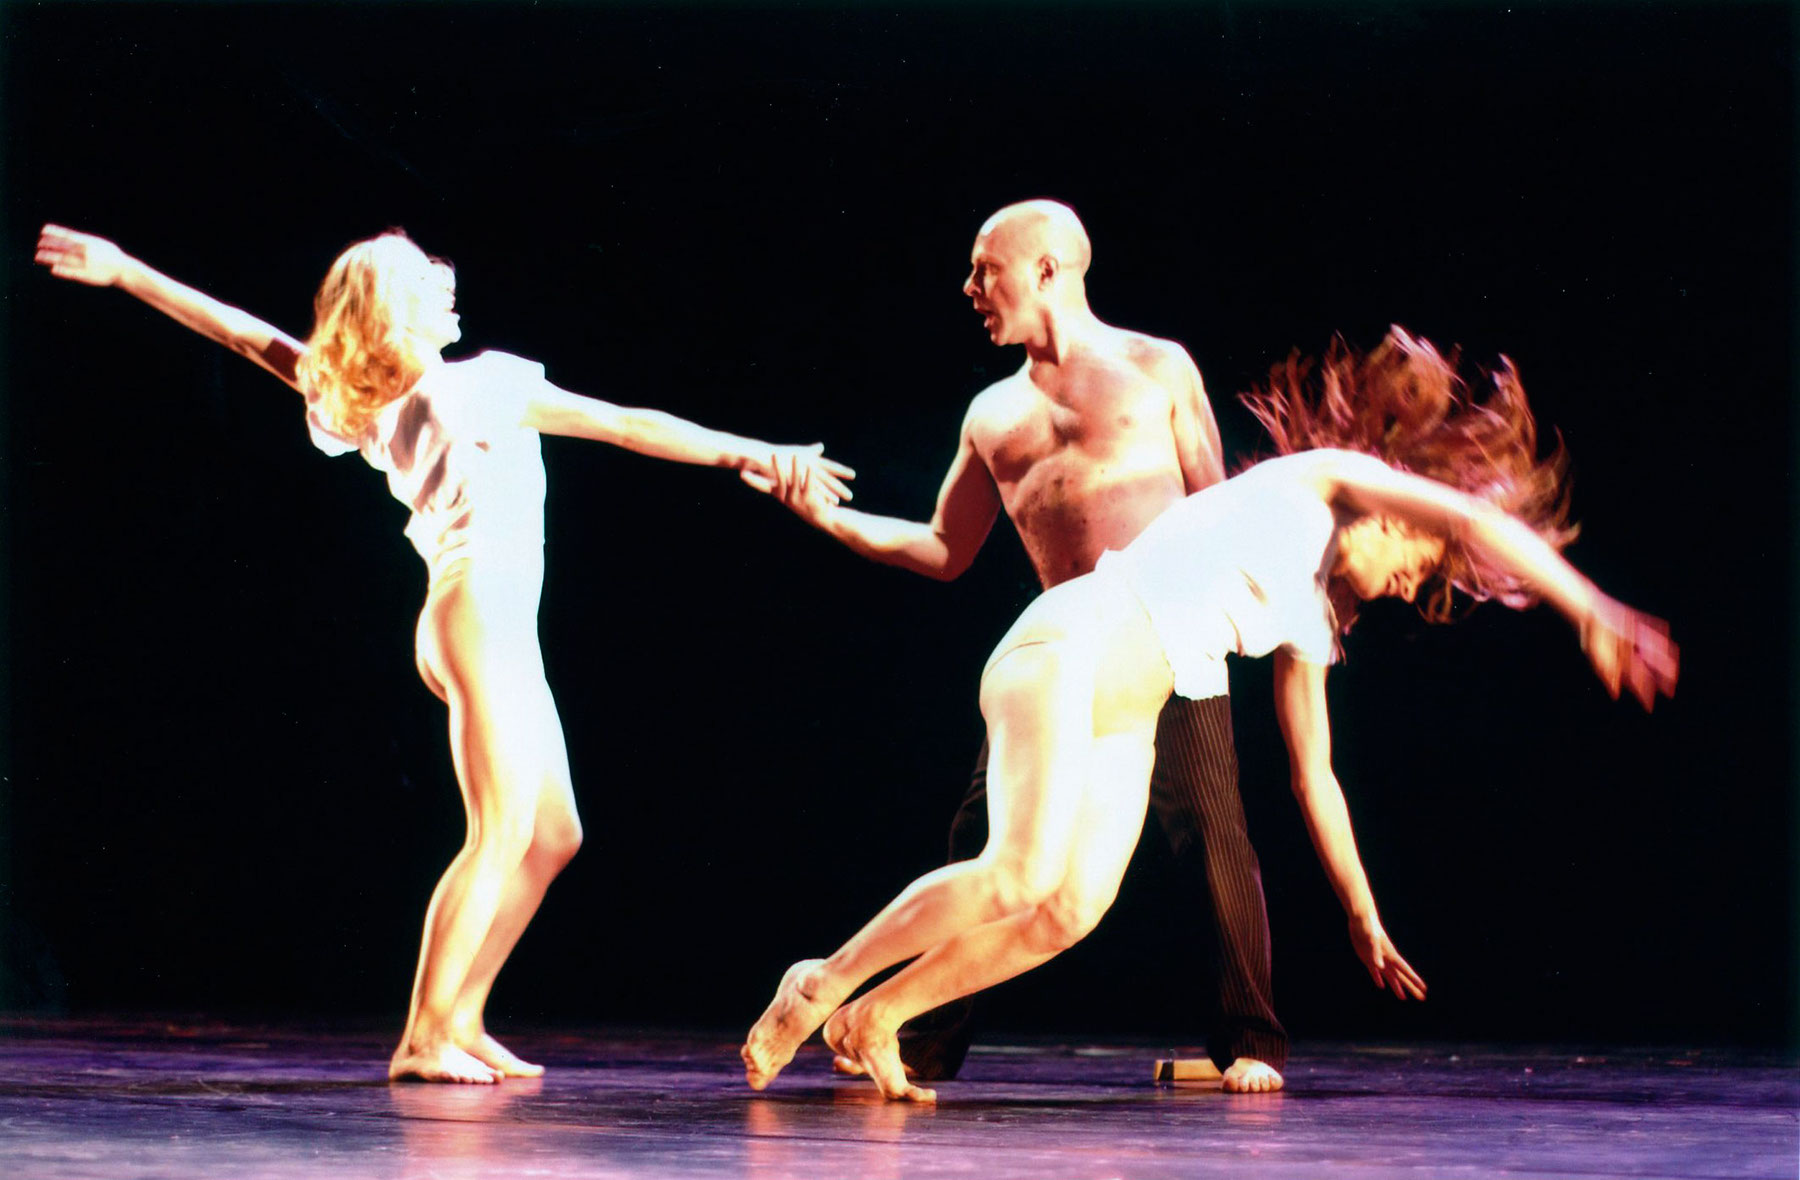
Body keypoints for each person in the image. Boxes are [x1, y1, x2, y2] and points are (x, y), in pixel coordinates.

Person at [743, 326, 1677, 1102]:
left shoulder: (1309, 618)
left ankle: (882, 1014)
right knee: (1016, 871)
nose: (1402, 588)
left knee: (1070, 908)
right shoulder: (1317, 480)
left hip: (1126, 715)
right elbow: (1474, 521)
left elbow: (1316, 774)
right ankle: (822, 981)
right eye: (1413, 568)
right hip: (1066, 647)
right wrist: (1592, 608)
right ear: (1396, 519)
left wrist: (1362, 915)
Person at [35, 223, 852, 1084]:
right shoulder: (483, 383)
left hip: (484, 619)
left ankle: (461, 1018)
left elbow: (246, 335)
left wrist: (127, 272)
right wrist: (756, 452)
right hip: (478, 613)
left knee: (552, 835)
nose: (449, 286)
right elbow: (623, 424)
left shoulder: (363, 402)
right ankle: (422, 1037)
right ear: (395, 312)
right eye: (431, 284)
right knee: (499, 832)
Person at [767, 199, 1288, 1091]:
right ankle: (918, 1036)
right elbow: (945, 548)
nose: (971, 287)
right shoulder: (992, 414)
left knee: (1211, 830)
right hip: (1065, 658)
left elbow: (1217, 506)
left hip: (1173, 641)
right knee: (983, 840)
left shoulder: (1159, 369)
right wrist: (831, 520)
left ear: (1047, 269)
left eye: (986, 268)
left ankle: (1251, 1042)